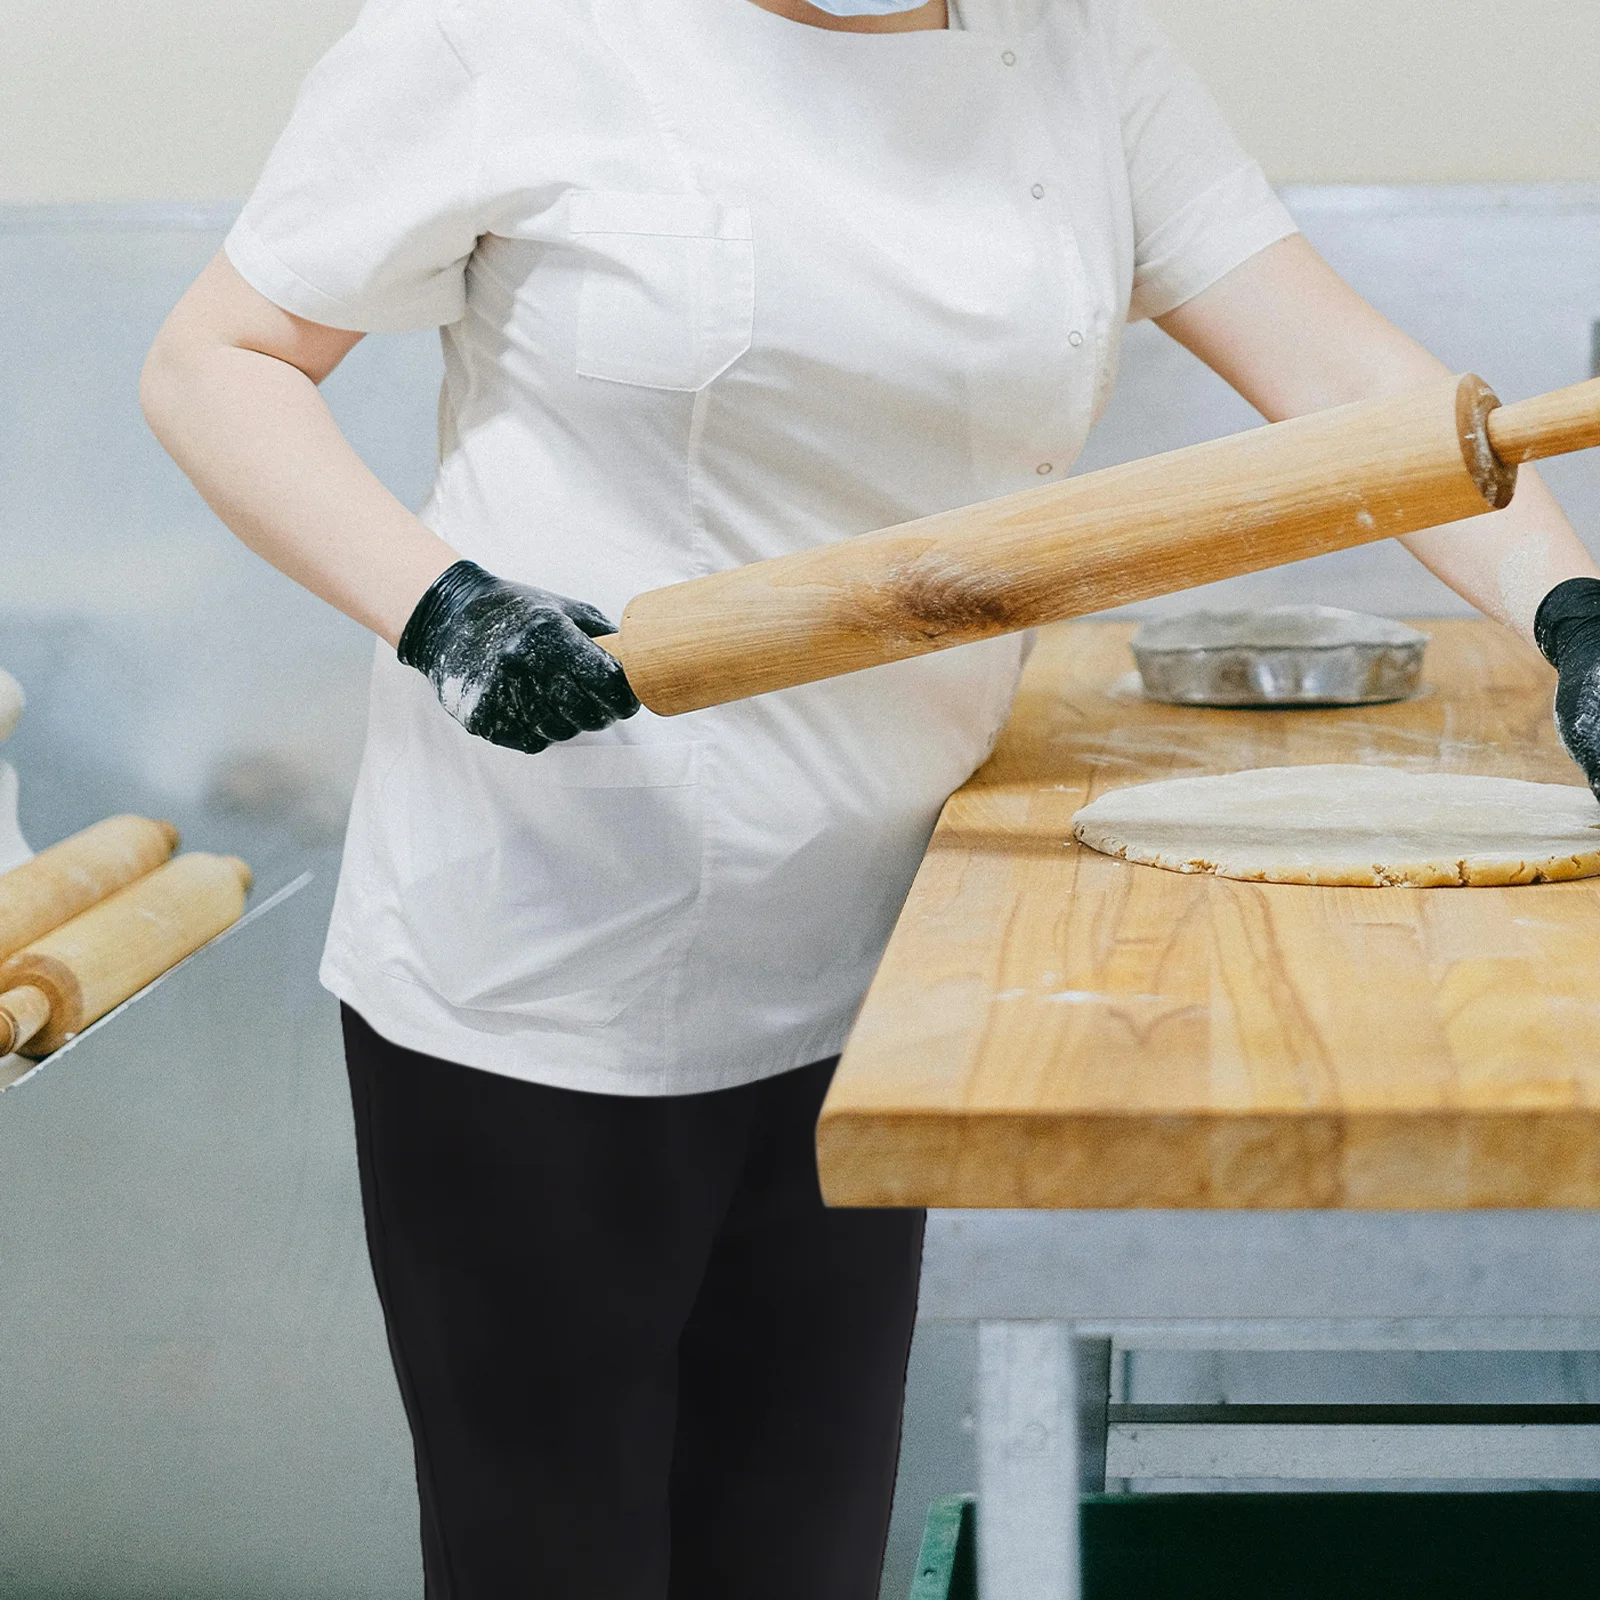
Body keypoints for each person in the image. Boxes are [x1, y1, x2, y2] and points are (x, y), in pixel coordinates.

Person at [140, 0, 1600, 1593]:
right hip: (553, 943)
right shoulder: (509, 29)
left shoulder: (1073, 54)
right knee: (550, 1551)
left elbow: (1353, 391)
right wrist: (446, 612)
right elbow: (216, 360)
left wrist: (1571, 610)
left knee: (799, 1553)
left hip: (887, 960)